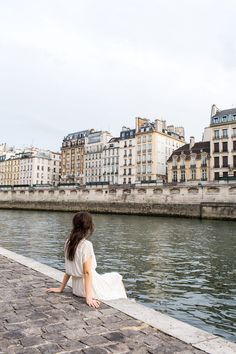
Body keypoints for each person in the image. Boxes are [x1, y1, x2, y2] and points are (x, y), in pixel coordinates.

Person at [47, 211, 127, 308]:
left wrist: (61, 288)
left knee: (111, 278)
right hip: (90, 288)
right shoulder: (86, 245)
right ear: (89, 226)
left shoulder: (68, 243)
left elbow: (68, 269)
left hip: (76, 289)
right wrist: (88, 298)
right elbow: (87, 272)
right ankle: (126, 302)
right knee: (116, 277)